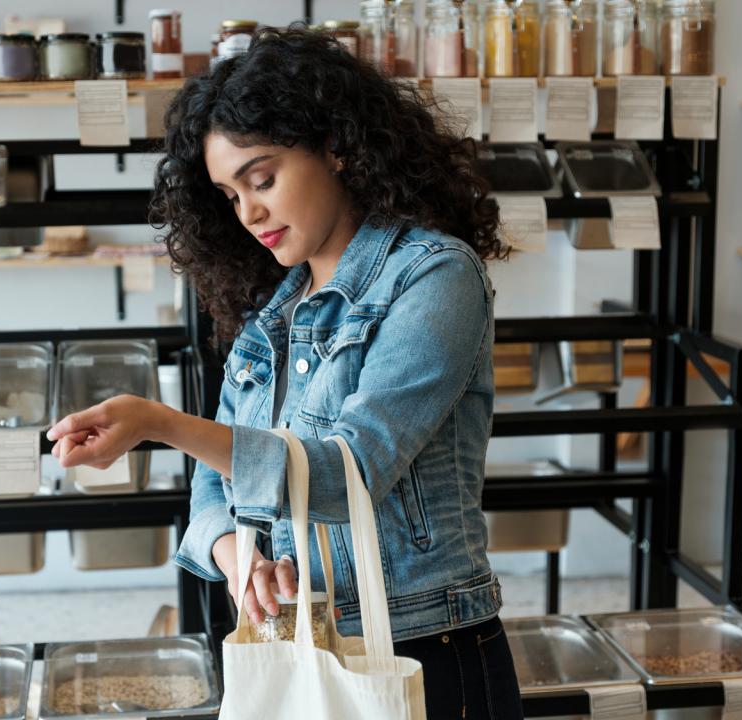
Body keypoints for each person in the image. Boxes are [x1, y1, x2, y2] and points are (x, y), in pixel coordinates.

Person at [46, 27, 522, 719]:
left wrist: (159, 423)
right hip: (300, 643)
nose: (250, 213)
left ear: (337, 147)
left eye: (262, 179)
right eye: (231, 196)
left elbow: (347, 472)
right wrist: (245, 566)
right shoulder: (272, 314)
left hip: (426, 645)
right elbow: (216, 486)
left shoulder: (436, 276)